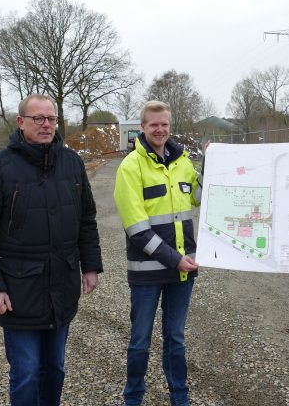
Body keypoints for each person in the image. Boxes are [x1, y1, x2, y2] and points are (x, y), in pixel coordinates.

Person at [0, 94, 103, 406]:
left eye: (51, 119)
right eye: (38, 119)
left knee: (54, 369)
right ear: (21, 122)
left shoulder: (72, 164)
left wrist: (91, 266)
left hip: (62, 287)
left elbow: (87, 219)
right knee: (27, 372)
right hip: (19, 291)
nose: (45, 125)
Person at [113, 100, 202, 406]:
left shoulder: (183, 162)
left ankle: (180, 397)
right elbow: (137, 230)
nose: (160, 129)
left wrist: (218, 167)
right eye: (153, 125)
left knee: (175, 339)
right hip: (148, 274)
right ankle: (133, 398)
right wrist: (174, 258)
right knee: (140, 341)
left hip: (183, 271)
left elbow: (206, 197)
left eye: (164, 124)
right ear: (142, 127)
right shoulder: (130, 168)